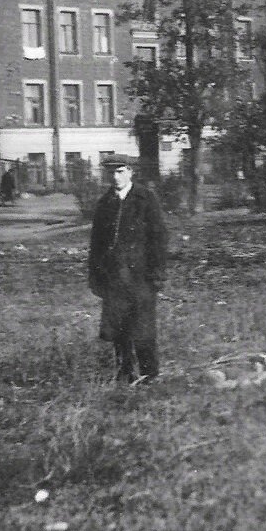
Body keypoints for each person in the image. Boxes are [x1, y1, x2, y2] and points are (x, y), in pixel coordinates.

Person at [88, 155, 168, 382]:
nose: (115, 177)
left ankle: (149, 374)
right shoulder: (105, 203)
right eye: (111, 173)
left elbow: (159, 237)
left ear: (130, 172)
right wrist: (95, 276)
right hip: (114, 276)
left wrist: (157, 272)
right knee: (118, 326)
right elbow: (96, 244)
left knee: (143, 326)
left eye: (120, 171)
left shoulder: (146, 198)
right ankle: (124, 373)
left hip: (141, 275)